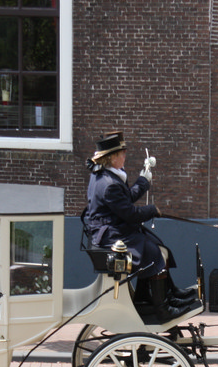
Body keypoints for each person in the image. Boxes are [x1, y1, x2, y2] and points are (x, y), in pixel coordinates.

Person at [83, 131, 198, 322]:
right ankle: (162, 309)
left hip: (115, 229)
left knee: (159, 247)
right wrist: (152, 210)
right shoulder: (109, 184)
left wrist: (143, 181)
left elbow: (125, 199)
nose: (125, 157)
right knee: (154, 254)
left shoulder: (106, 176)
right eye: (122, 154)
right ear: (112, 157)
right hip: (111, 235)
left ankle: (165, 295)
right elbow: (131, 214)